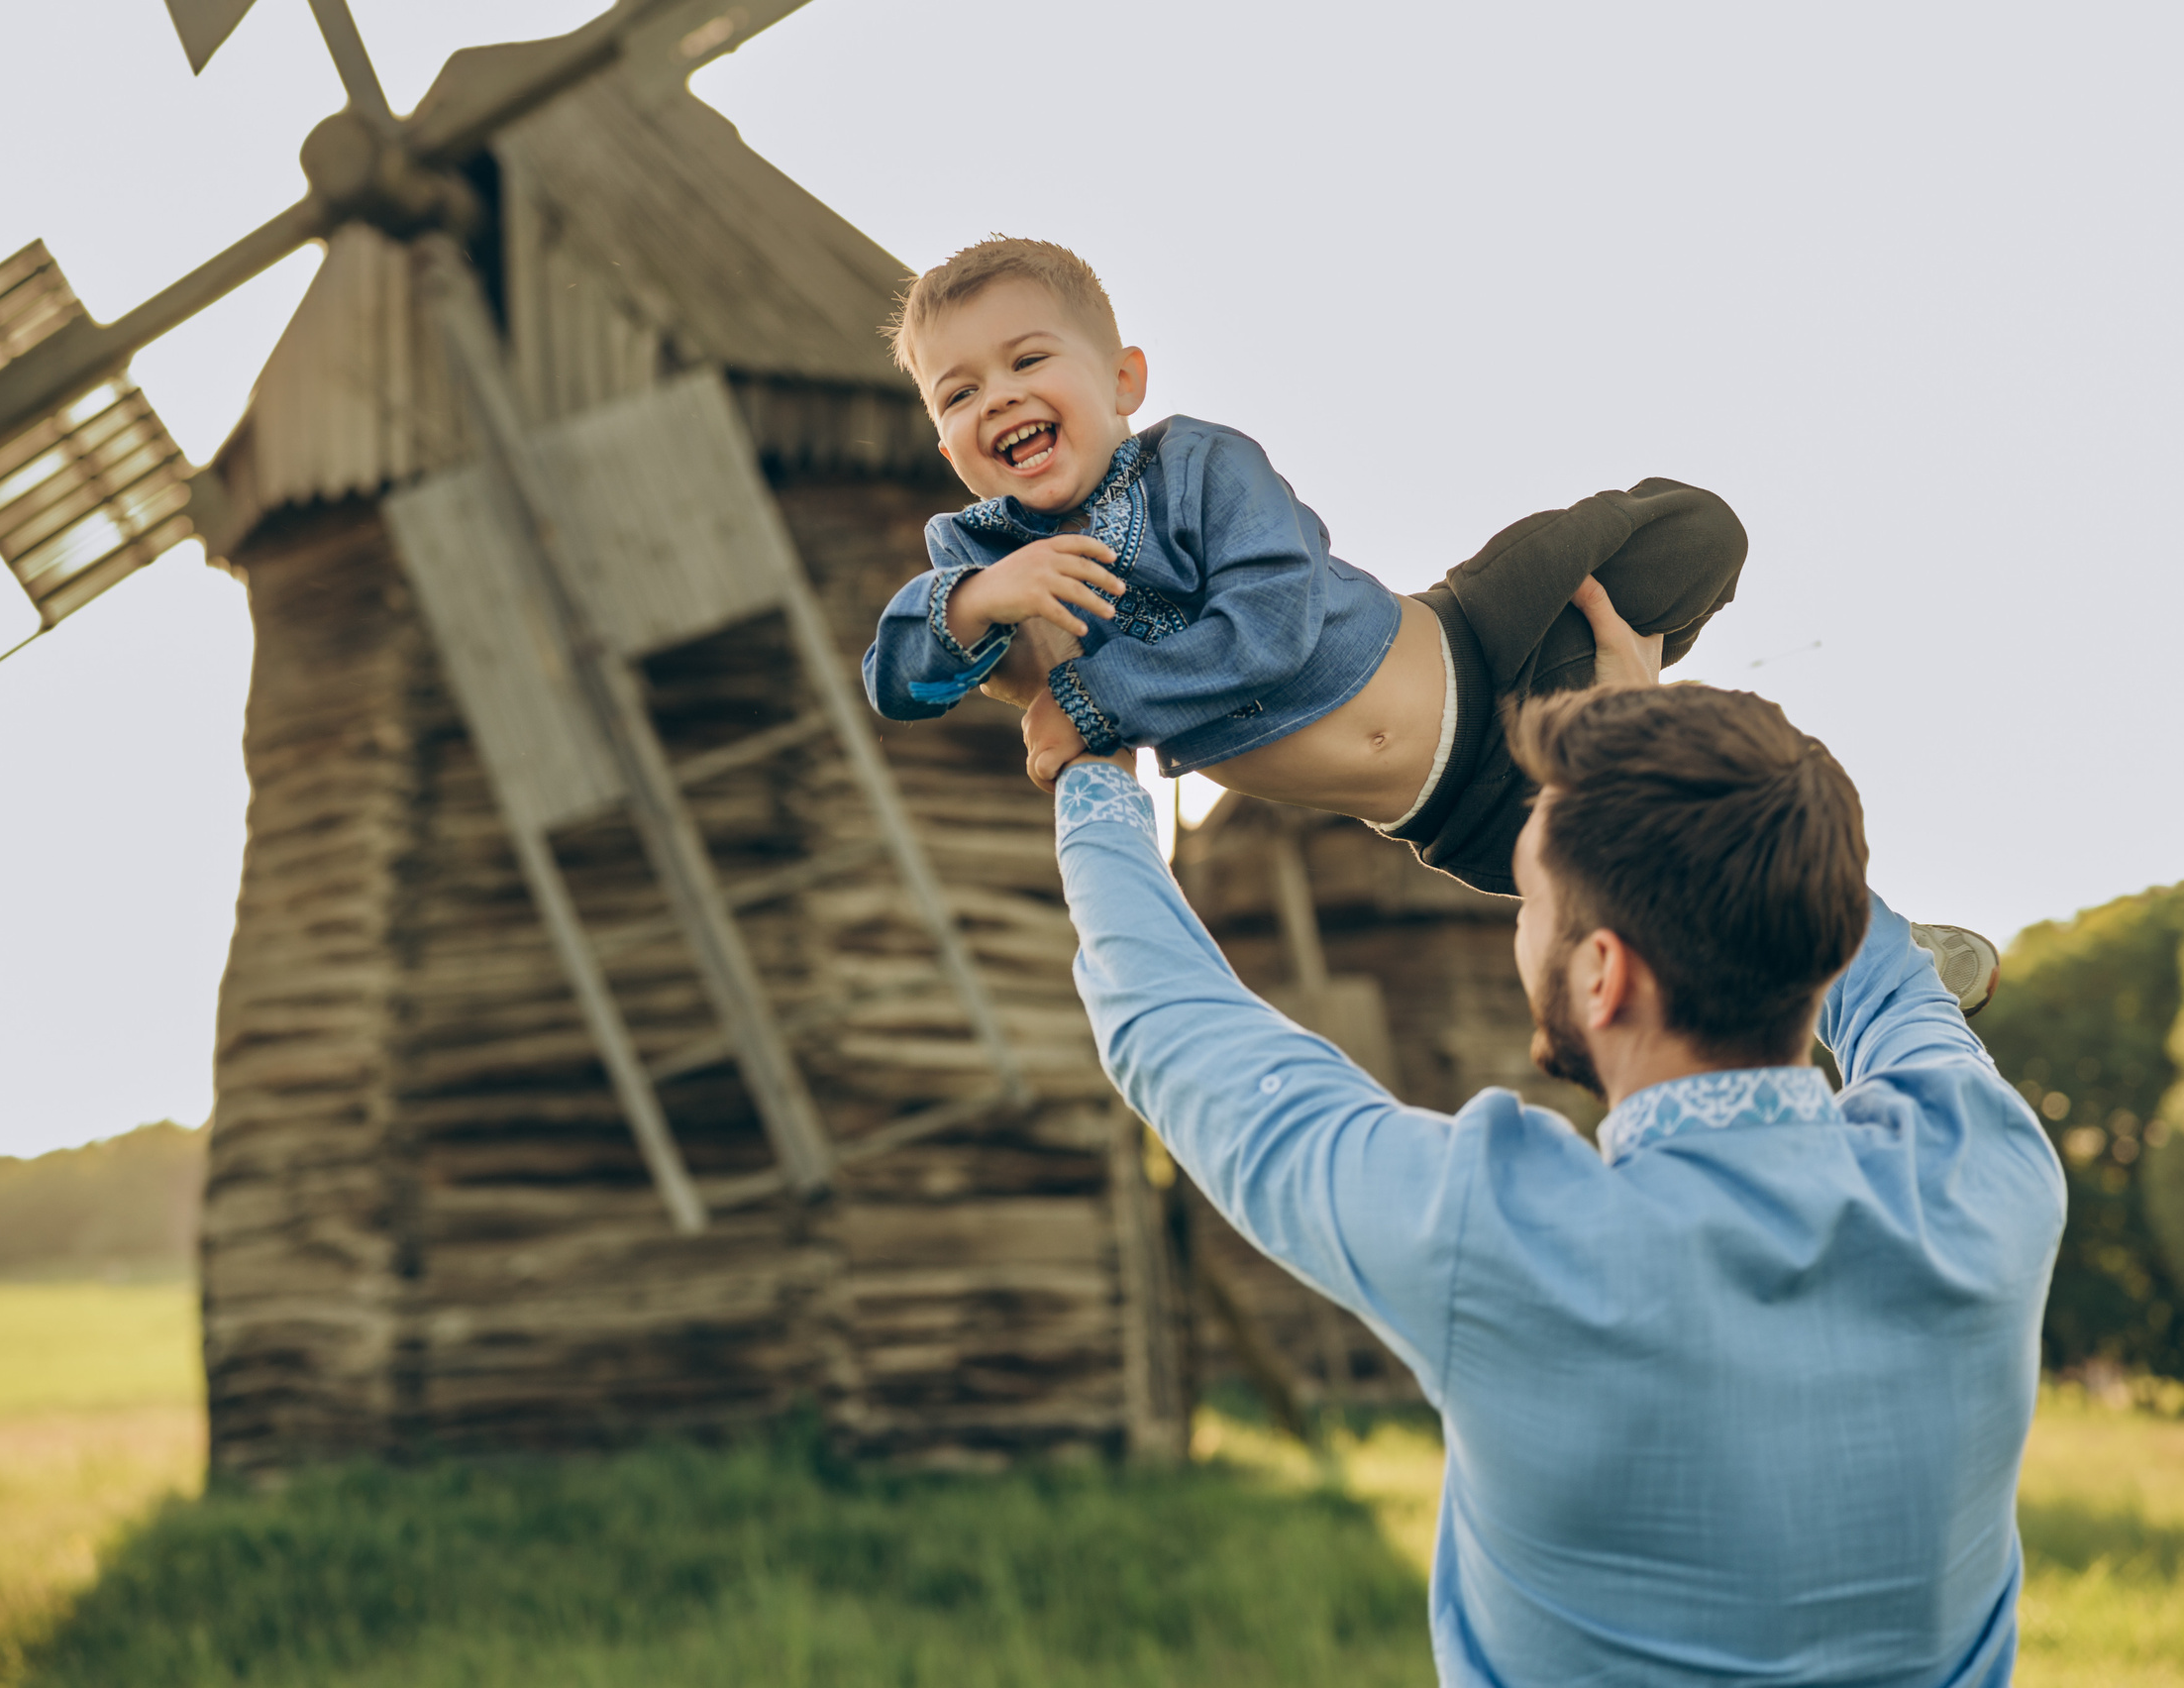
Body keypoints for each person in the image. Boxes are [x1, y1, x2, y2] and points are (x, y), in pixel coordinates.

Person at [1046, 623, 2061, 1683]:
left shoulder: (1498, 1240)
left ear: (1602, 977)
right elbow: (1888, 974)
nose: (1521, 926)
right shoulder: (1984, 1170)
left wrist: (1093, 777)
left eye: (1532, 899)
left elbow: (1175, 1026)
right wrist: (1672, 768)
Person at [860, 236, 1750, 894]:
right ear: (947, 447)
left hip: (1480, 645)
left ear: (1123, 381)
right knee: (1666, 885)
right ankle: (1629, 732)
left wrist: (1096, 699)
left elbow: (1272, 625)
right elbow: (896, 685)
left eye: (1027, 359)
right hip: (1454, 815)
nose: (1001, 396)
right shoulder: (978, 554)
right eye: (961, 392)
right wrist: (976, 603)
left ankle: (1611, 675)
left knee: (1694, 533)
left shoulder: (1202, 466)